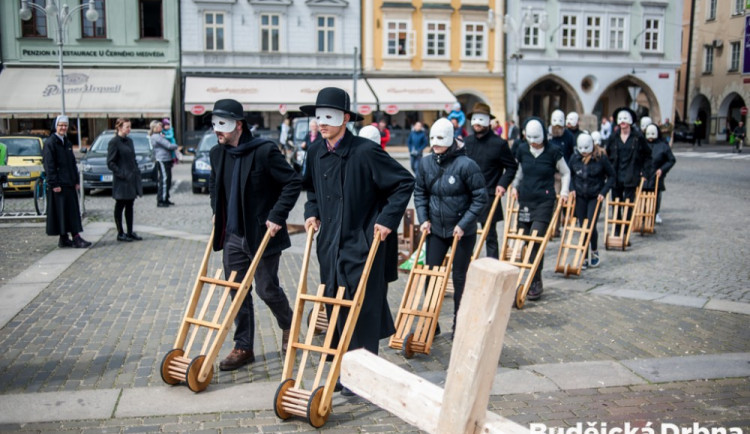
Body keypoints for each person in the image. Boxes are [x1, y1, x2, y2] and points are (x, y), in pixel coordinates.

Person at [301, 87, 414, 395]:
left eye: (329, 117)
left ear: (346, 118)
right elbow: (310, 190)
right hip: (329, 245)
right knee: (336, 309)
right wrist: (312, 211)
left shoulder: (365, 151)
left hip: (362, 243)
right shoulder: (314, 151)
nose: (322, 123)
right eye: (318, 117)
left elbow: (404, 183)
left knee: (361, 311)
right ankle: (343, 371)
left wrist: (385, 220)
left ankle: (365, 377)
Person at [208, 98, 302, 371]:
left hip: (262, 234)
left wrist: (277, 216)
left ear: (238, 125)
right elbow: (214, 183)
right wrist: (216, 209)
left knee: (266, 289)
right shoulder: (218, 153)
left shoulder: (264, 151)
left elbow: (292, 182)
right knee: (236, 292)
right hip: (233, 236)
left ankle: (288, 325)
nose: (217, 130)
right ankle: (243, 346)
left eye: (222, 124)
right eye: (214, 124)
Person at [415, 118, 487, 337]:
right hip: (436, 230)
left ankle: (460, 322)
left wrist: (464, 224)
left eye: (440, 140)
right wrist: (423, 218)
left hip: (461, 233)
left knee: (459, 278)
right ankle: (430, 322)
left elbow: (480, 198)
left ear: (450, 139)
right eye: (433, 140)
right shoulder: (426, 163)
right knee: (431, 275)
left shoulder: (466, 165)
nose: (435, 144)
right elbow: (420, 192)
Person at [511, 117, 570, 300]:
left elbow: (566, 172)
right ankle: (522, 278)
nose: (534, 144)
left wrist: (565, 192)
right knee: (525, 241)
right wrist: (514, 186)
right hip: (526, 200)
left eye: (537, 139)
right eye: (531, 140)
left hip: (545, 201)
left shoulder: (553, 151)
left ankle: (535, 281)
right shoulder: (522, 150)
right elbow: (520, 171)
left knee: (536, 239)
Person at [463, 102, 518, 259]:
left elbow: (512, 167)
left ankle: (492, 267)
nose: (477, 124)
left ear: (488, 121)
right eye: (474, 119)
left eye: (481, 119)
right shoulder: (467, 142)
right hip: (467, 194)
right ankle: (466, 264)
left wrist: (502, 184)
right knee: (465, 232)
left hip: (489, 194)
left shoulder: (499, 144)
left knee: (490, 234)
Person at [43, 115, 91, 248]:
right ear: (55, 126)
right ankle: (75, 238)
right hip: (59, 184)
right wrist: (54, 183)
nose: (63, 128)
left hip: (69, 182)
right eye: (61, 125)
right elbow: (49, 165)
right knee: (63, 212)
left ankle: (64, 238)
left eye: (65, 125)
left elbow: (71, 163)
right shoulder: (51, 143)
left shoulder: (67, 142)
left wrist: (75, 180)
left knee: (70, 211)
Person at [568, 132, 615, 269]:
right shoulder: (575, 158)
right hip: (580, 195)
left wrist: (603, 192)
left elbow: (612, 176)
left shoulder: (600, 158)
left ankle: (594, 250)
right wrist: (572, 188)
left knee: (591, 225)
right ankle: (584, 254)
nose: (584, 153)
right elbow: (569, 174)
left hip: (595, 195)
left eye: (586, 150)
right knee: (582, 225)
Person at [605, 107, 651, 232]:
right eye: (621, 120)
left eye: (625, 119)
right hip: (616, 175)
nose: (623, 122)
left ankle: (625, 231)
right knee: (616, 204)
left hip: (631, 175)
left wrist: (645, 172)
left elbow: (648, 155)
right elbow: (607, 155)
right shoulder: (613, 137)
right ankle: (616, 229)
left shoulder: (638, 137)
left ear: (630, 121)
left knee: (628, 204)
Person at [107, 118, 143, 242]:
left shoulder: (129, 141)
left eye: (129, 126)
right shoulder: (114, 142)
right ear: (119, 127)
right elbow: (110, 162)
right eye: (127, 127)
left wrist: (136, 170)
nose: (129, 129)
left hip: (131, 178)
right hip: (121, 180)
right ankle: (120, 232)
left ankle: (130, 231)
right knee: (120, 205)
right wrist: (122, 174)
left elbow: (132, 158)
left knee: (130, 206)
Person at [643, 124, 676, 224]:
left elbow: (671, 160)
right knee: (642, 196)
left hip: (656, 175)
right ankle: (642, 214)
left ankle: (655, 213)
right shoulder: (642, 144)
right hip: (644, 176)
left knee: (656, 196)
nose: (651, 139)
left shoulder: (663, 146)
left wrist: (662, 169)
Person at [149, 120, 178, 208]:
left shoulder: (160, 135)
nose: (161, 127)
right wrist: (176, 146)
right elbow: (168, 145)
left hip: (166, 159)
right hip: (162, 160)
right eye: (159, 126)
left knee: (168, 180)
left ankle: (166, 198)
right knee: (164, 180)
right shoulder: (156, 137)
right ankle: (161, 200)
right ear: (155, 128)